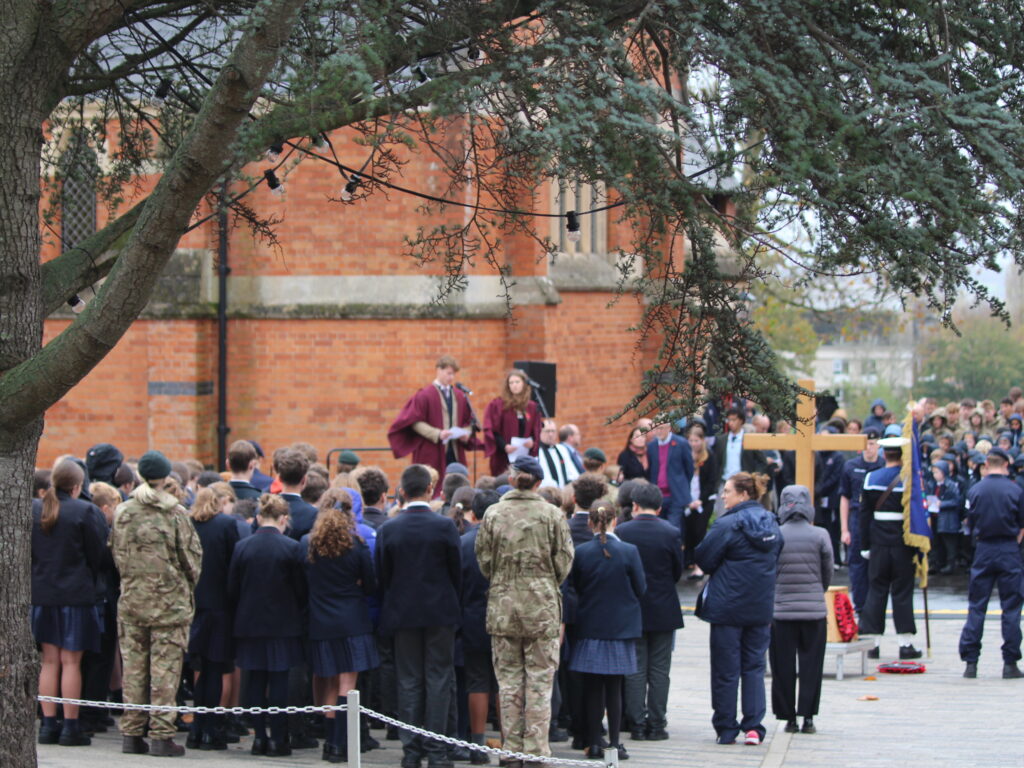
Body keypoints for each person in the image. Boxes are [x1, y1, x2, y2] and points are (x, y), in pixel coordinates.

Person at [475, 455, 575, 763]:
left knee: (508, 683)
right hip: (542, 607)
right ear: (539, 482)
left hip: (504, 607)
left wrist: (507, 579)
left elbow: (484, 561)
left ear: (511, 479)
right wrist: (541, 580)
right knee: (540, 682)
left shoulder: (493, 514)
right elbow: (564, 561)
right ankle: (535, 751)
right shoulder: (553, 515)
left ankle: (511, 749)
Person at [110, 450, 203, 757]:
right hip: (169, 605)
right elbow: (191, 560)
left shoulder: (123, 512)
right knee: (165, 670)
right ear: (165, 478)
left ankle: (132, 734)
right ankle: (162, 736)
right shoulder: (175, 512)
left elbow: (117, 555)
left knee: (134, 669)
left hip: (133, 600)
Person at [376, 464, 462, 768]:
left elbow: (382, 575)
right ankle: (436, 751)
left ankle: (411, 752)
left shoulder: (389, 528)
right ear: (430, 490)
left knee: (409, 681)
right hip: (440, 613)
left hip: (402, 613)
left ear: (401, 492)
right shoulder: (445, 527)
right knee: (438, 679)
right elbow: (456, 572)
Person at [695, 472, 782, 746]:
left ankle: (726, 727)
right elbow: (777, 557)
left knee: (726, 669)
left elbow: (705, 558)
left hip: (727, 607)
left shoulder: (727, 524)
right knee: (754, 666)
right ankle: (754, 726)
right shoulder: (772, 523)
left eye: (728, 491)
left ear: (743, 494)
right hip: (760, 606)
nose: (723, 495)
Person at [32, 459, 107, 747]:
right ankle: (70, 727)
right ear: (77, 487)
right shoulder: (85, 510)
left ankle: (48, 725)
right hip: (75, 595)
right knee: (71, 662)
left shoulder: (36, 509)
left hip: (43, 594)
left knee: (49, 661)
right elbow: (97, 554)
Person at [300, 492, 378, 762]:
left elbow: (303, 584)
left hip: (321, 622)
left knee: (331, 684)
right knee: (348, 684)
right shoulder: (356, 545)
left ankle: (330, 745)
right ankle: (341, 744)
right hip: (352, 621)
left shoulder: (308, 544)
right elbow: (371, 585)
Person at [228, 494, 307, 757]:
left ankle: (259, 737)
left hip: (249, 622)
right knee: (279, 681)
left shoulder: (243, 547)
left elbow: (233, 588)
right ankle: (278, 738)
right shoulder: (292, 547)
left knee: (255, 680)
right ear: (284, 518)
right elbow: (300, 589)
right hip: (283, 624)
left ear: (260, 517)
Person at [568, 500, 645, 760]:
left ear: (590, 522)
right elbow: (641, 588)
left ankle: (593, 742)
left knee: (592, 688)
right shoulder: (630, 551)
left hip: (590, 626)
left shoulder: (581, 552)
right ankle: (614, 744)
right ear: (615, 521)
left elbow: (575, 587)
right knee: (614, 688)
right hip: (620, 628)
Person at [616, 483, 683, 742]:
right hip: (664, 608)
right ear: (659, 507)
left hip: (632, 608)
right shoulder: (671, 532)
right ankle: (657, 723)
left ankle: (637, 723)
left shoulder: (623, 531)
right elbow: (677, 571)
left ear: (634, 505)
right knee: (659, 669)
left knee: (635, 668)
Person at [770, 486, 833, 735]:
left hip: (782, 612)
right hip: (814, 612)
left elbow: (769, 572)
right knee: (811, 666)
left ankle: (788, 718)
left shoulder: (775, 534)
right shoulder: (820, 535)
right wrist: (818, 590)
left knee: (782, 666)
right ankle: (807, 716)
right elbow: (827, 571)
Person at [959, 447, 1024, 679]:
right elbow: (1021, 525)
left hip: (984, 548)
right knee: (1012, 608)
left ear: (987, 464)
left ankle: (970, 662)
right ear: (1006, 465)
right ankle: (1010, 662)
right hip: (1008, 548)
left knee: (977, 605)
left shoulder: (976, 489)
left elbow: (969, 523)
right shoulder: (1016, 490)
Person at [858, 434, 923, 659]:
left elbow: (864, 516)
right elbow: (916, 517)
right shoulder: (910, 481)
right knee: (902, 593)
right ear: (902, 455)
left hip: (878, 543)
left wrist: (864, 545)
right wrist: (919, 548)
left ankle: (872, 643)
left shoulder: (871, 478)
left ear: (885, 454)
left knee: (876, 591)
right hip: (903, 545)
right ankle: (905, 644)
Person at [187, 484, 241, 750]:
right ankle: (211, 730)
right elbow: (234, 565)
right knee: (216, 669)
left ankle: (197, 729)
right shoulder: (226, 525)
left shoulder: (188, 523)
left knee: (201, 669)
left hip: (194, 605)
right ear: (220, 502)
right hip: (220, 606)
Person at [388, 355, 479, 492]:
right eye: (449, 373)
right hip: (432, 448)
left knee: (455, 485)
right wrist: (437, 433)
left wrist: (466, 432)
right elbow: (414, 421)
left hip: (454, 450)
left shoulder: (459, 395)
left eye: (453, 374)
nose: (451, 377)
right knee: (431, 484)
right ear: (438, 370)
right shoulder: (424, 395)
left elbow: (469, 421)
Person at [460, 489, 502, 764]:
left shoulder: (463, 543)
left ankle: (476, 745)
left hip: (472, 616)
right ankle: (508, 743)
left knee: (477, 681)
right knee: (503, 683)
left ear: (473, 514)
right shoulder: (507, 540)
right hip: (504, 615)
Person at [838, 429, 884, 612]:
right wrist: (844, 529)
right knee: (857, 565)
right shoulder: (851, 466)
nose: (869, 448)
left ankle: (875, 606)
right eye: (866, 443)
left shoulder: (883, 465)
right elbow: (845, 498)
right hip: (857, 518)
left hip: (877, 518)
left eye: (872, 443)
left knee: (878, 565)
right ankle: (860, 605)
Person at [483, 369, 542, 476]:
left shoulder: (532, 407)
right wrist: (505, 446)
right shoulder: (499, 405)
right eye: (511, 382)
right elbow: (493, 431)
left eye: (517, 382)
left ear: (524, 384)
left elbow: (537, 430)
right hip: (504, 457)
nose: (514, 385)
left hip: (525, 456)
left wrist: (533, 443)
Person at [645, 422, 694, 531]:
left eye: (661, 428)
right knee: (658, 527)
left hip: (675, 494)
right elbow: (651, 469)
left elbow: (689, 469)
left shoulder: (681, 443)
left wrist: (682, 485)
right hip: (658, 495)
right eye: (656, 428)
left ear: (669, 428)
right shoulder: (651, 446)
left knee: (673, 527)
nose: (658, 431)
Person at [686, 425, 718, 577]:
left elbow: (711, 482)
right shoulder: (686, 454)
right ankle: (689, 560)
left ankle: (699, 564)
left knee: (700, 530)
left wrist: (700, 500)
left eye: (696, 440)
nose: (693, 444)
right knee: (688, 531)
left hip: (703, 500)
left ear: (702, 440)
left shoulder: (709, 456)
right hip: (688, 499)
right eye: (691, 440)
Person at [538, 419, 576, 488]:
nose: (550, 434)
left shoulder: (562, 449)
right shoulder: (536, 452)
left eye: (553, 431)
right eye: (547, 431)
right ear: (540, 432)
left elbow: (571, 472)